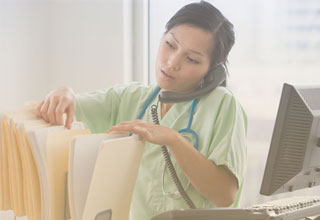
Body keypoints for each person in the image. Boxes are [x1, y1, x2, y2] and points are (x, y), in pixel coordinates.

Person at [37, 1, 247, 219]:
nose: (172, 62)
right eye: (170, 45)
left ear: (212, 71)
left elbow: (224, 194)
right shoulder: (132, 99)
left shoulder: (223, 104)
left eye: (192, 59)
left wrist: (174, 141)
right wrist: (65, 92)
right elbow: (70, 108)